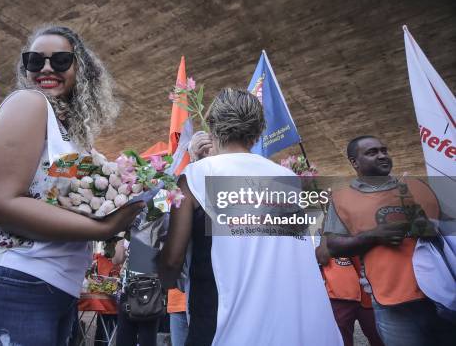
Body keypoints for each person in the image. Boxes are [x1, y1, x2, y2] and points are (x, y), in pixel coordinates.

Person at [0, 25, 143, 346]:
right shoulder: (29, 103)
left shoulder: (73, 140)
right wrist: (103, 228)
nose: (46, 68)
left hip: (48, 291)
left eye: (60, 60)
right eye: (35, 61)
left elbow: (66, 207)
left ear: (80, 68)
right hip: (6, 285)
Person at [159, 88, 342, 346]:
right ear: (258, 131)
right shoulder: (288, 180)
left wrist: (162, 275)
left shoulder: (194, 176)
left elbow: (172, 260)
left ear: (211, 127)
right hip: (292, 326)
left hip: (221, 325)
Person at [325, 135, 455, 346]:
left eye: (384, 150)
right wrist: (376, 235)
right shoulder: (341, 199)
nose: (382, 155)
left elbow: (449, 229)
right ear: (354, 162)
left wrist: (431, 227)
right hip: (392, 303)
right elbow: (333, 247)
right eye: (372, 152)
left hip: (440, 296)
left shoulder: (415, 185)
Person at [315, 236, 384, 346]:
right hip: (339, 296)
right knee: (342, 341)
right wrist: (325, 233)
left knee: (378, 338)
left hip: (369, 294)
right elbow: (322, 258)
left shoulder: (359, 225)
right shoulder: (322, 233)